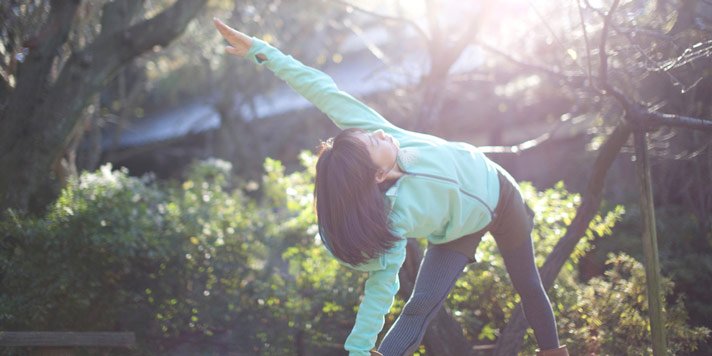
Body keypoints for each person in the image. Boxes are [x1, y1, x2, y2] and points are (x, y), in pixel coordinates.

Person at [214, 18, 569, 356]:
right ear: (376, 176)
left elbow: (321, 90)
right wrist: (357, 349)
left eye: (372, 133)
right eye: (374, 141)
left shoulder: (389, 138)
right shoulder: (392, 221)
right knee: (418, 307)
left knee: (529, 286)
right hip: (456, 232)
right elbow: (379, 294)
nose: (380, 132)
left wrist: (263, 52)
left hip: (501, 195)